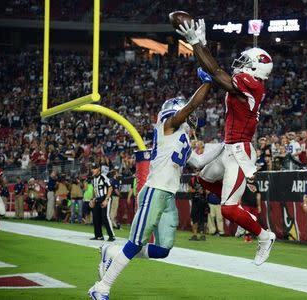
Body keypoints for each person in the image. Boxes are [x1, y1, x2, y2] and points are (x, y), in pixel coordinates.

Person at [88, 68, 223, 299]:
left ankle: (111, 251)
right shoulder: (167, 126)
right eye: (184, 113)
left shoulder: (182, 139)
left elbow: (199, 162)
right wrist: (208, 84)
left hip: (168, 195)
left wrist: (225, 145)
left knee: (163, 250)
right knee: (136, 241)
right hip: (155, 190)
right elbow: (190, 107)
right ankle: (101, 287)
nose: (190, 118)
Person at [177, 19, 276, 266]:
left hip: (240, 151)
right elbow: (216, 72)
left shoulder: (253, 85)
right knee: (201, 179)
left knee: (228, 211)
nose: (240, 65)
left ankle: (265, 236)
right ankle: (238, 202)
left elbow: (216, 73)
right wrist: (202, 46)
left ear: (255, 69)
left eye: (245, 62)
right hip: (228, 147)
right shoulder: (247, 82)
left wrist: (197, 43)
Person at [90, 163, 115, 241]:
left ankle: (112, 236)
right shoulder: (93, 179)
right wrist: (92, 199)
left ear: (99, 169)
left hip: (105, 198)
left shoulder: (103, 177)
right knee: (96, 218)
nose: (92, 170)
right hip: (97, 199)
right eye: (92, 168)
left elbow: (110, 187)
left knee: (105, 217)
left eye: (94, 168)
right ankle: (99, 236)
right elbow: (94, 190)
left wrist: (106, 200)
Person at [238, 178, 262, 243]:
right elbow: (240, 193)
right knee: (247, 219)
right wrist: (239, 203)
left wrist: (259, 206)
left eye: (254, 174)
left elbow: (258, 195)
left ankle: (249, 235)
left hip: (254, 205)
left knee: (253, 221)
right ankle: (247, 235)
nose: (252, 175)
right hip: (246, 204)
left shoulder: (256, 183)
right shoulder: (244, 183)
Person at [189, 176, 207, 241]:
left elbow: (208, 191)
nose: (198, 172)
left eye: (199, 170)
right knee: (194, 219)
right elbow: (189, 189)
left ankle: (203, 235)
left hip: (203, 202)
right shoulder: (192, 180)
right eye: (197, 170)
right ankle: (195, 235)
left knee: (203, 220)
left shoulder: (205, 180)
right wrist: (197, 190)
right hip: (195, 202)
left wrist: (203, 191)